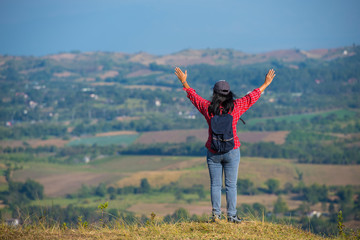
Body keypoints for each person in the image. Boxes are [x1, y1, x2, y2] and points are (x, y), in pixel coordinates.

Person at [174, 67, 275, 223]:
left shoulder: (208, 108)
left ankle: (216, 216)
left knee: (215, 185)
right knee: (231, 185)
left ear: (214, 93)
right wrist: (266, 83)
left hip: (213, 151)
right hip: (232, 150)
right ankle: (232, 216)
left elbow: (194, 97)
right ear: (229, 93)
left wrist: (184, 82)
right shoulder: (237, 106)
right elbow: (252, 97)